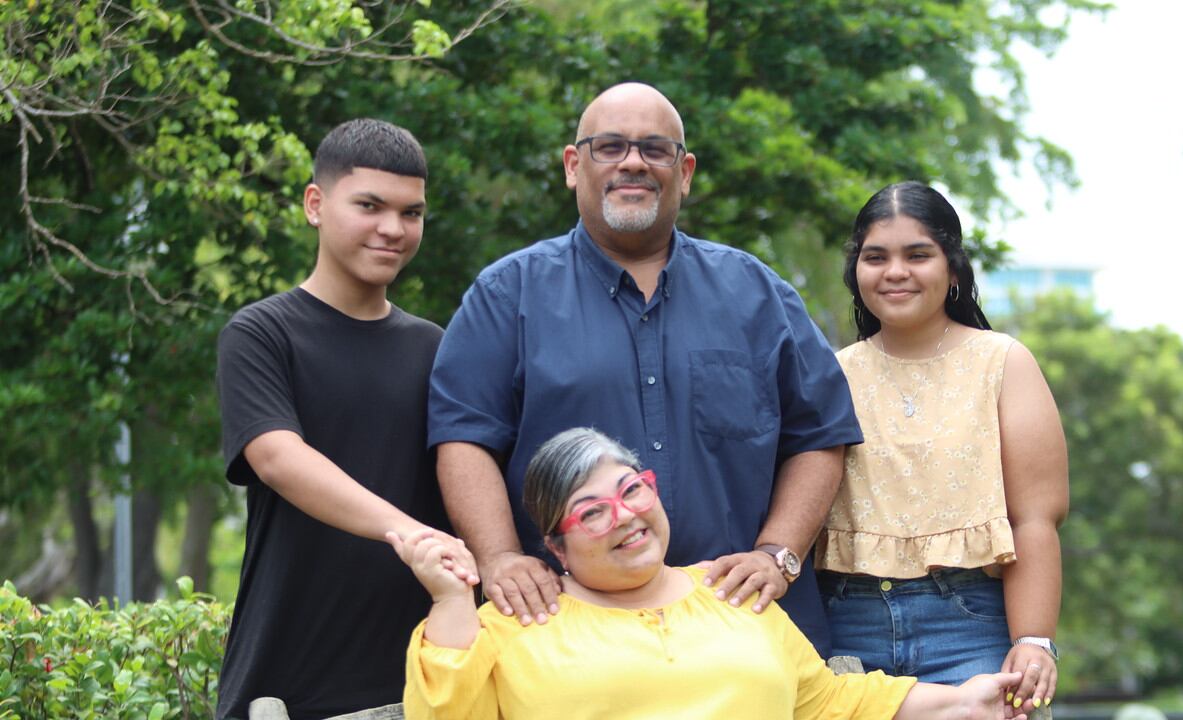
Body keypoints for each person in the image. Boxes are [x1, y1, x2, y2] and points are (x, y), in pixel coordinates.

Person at [427, 82, 858, 655]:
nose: (633, 162)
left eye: (656, 149)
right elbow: (463, 437)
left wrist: (778, 552)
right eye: (610, 147)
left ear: (685, 172)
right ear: (572, 166)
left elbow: (821, 435)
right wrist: (501, 556)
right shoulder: (509, 296)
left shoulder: (757, 295)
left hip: (744, 629)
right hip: (568, 637)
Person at [391, 427, 1030, 720]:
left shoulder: (732, 594)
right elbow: (447, 714)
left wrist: (960, 700)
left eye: (631, 491)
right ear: (555, 547)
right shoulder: (521, 618)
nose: (624, 518)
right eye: (592, 513)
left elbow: (831, 704)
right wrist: (450, 596)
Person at [215, 119, 474, 720]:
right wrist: (412, 534)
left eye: (412, 213)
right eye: (370, 206)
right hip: (288, 685)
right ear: (315, 204)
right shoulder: (260, 334)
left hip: (420, 678)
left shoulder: (437, 348)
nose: (393, 229)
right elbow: (279, 458)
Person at [814, 181, 1069, 711]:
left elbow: (1035, 518)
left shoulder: (1002, 362)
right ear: (855, 271)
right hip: (847, 630)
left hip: (972, 627)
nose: (896, 271)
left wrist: (1034, 640)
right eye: (876, 257)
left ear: (953, 268)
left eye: (918, 255)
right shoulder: (830, 373)